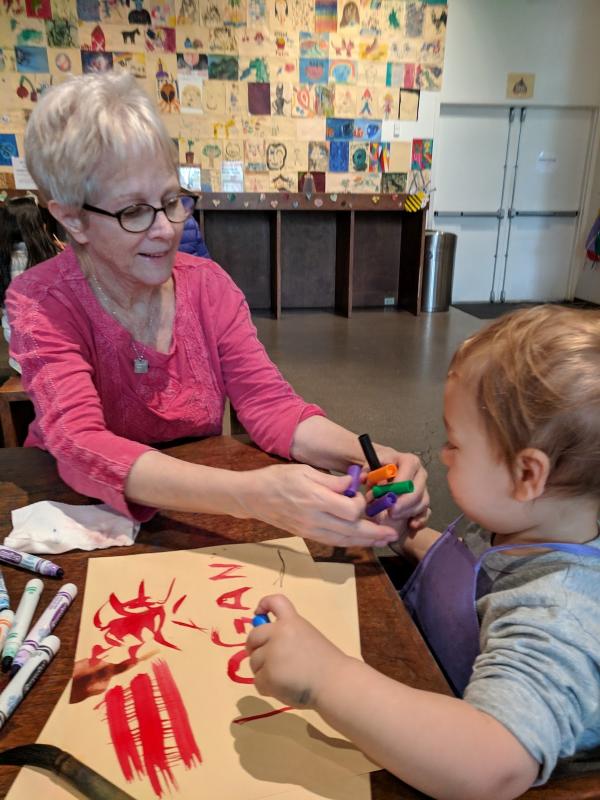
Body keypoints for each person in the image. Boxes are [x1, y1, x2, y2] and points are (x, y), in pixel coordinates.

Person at [5, 72, 429, 547]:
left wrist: (370, 456)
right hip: (80, 520)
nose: (166, 229)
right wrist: (252, 495)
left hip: (204, 508)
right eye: (134, 212)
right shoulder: (41, 301)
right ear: (72, 219)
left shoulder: (209, 287)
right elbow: (80, 445)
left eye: (171, 200)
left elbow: (271, 406)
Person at [247, 305, 600, 799]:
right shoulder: (522, 523)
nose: (442, 455)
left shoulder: (559, 613)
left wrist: (325, 678)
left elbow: (492, 764)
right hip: (419, 670)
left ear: (527, 475)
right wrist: (404, 536)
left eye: (454, 444)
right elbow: (470, 578)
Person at [1, 197, 60, 371]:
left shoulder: (3, 262)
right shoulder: (52, 257)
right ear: (37, 226)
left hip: (19, 358)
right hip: (55, 353)